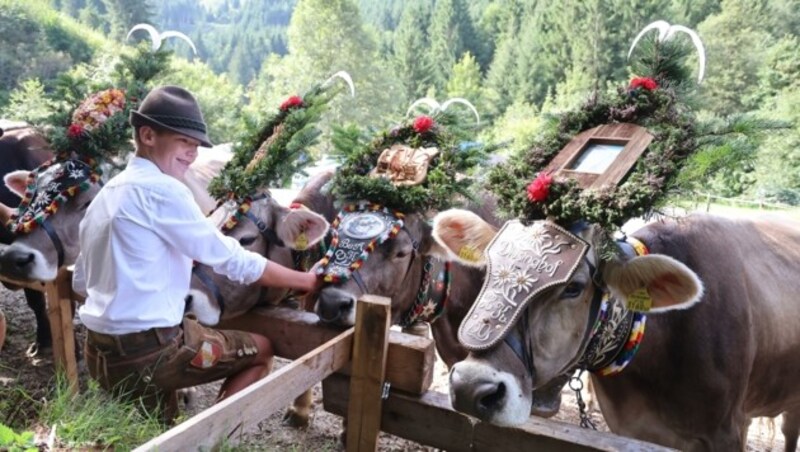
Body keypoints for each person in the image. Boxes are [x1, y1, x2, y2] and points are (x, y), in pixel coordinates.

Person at [72, 85, 320, 422]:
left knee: (161, 425)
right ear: (147, 135)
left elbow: (81, 283)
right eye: (184, 142)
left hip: (98, 353)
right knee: (261, 350)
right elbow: (234, 260)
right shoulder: (161, 190)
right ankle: (208, 440)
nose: (192, 154)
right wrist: (305, 278)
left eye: (195, 146)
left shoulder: (106, 195)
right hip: (152, 354)